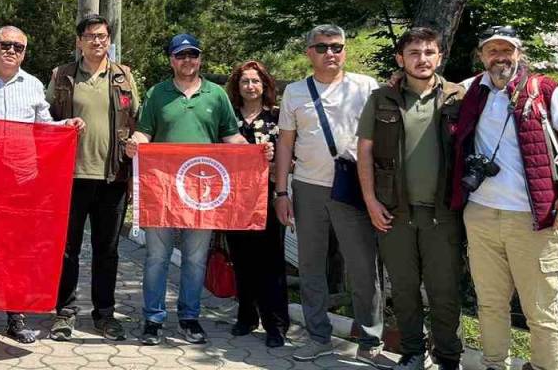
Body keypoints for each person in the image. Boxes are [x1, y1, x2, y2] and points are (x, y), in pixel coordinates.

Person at [451, 26, 558, 370]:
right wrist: (397, 79)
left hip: (533, 218)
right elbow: (426, 90)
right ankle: (494, 364)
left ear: (519, 53)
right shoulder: (471, 90)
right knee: (490, 303)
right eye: (492, 51)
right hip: (481, 214)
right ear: (481, 56)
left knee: (540, 310)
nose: (500, 57)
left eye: (507, 50)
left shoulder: (543, 90)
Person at [0, 25, 84, 344]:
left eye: (18, 47)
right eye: (5, 45)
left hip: (21, 182)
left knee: (15, 251)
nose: (11, 51)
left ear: (24, 52)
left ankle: (15, 317)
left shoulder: (34, 85)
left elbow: (44, 128)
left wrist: (67, 126)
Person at [273, 24, 388, 366]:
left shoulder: (366, 86)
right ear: (309, 52)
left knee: (363, 266)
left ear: (345, 51)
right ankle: (318, 335)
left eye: (336, 47)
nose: (330, 53)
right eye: (321, 48)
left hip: (353, 187)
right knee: (310, 264)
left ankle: (371, 339)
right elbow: (285, 145)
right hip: (309, 186)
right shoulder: (294, 92)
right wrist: (282, 191)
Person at [355, 28, 466, 370]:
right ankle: (414, 351)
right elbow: (365, 152)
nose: (422, 59)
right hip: (394, 211)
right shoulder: (382, 98)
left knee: (444, 291)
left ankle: (448, 356)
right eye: (414, 53)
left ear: (440, 57)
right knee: (403, 289)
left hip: (443, 213)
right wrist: (371, 201)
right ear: (400, 59)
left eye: (429, 52)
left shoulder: (458, 97)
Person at [126, 33, 247, 346]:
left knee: (195, 260)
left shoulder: (216, 95)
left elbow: (231, 138)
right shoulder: (157, 93)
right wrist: (134, 144)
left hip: (202, 193)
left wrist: (257, 153)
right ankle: (152, 319)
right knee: (157, 257)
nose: (187, 60)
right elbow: (144, 133)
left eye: (193, 55)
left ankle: (189, 318)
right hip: (162, 191)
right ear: (171, 60)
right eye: (181, 55)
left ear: (200, 59)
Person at [46, 14, 139, 342]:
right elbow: (45, 120)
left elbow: (138, 121)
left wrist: (138, 140)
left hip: (112, 176)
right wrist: (62, 126)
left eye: (102, 36)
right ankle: (65, 312)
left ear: (109, 40)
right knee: (68, 249)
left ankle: (104, 314)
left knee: (107, 249)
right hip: (70, 176)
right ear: (79, 41)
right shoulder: (62, 77)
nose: (97, 41)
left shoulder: (124, 77)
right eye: (90, 36)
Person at [224, 59, 289, 348]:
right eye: (244, 81)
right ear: (237, 87)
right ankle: (246, 316)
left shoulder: (277, 118)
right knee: (242, 261)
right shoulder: (227, 119)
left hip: (268, 199)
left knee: (271, 262)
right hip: (233, 201)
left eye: (255, 81)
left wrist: (274, 162)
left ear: (265, 86)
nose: (250, 86)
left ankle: (275, 324)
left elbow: (290, 160)